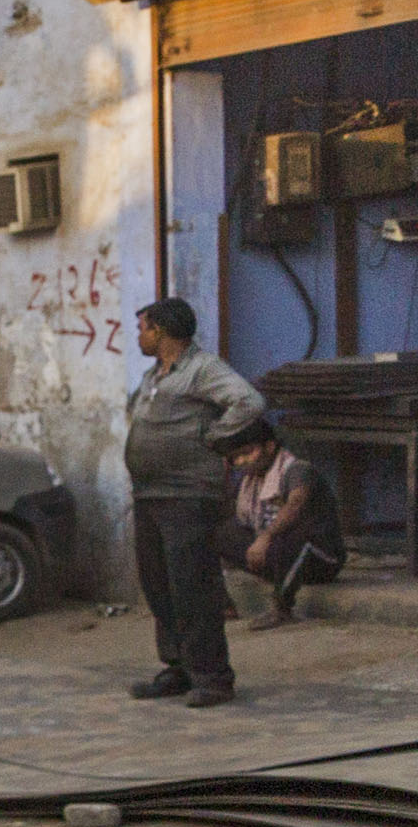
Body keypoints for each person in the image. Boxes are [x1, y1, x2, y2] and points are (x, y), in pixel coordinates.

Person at [121, 295, 264, 706]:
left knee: (193, 586)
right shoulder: (154, 375)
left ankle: (213, 677)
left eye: (143, 329)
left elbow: (249, 401)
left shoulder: (202, 368)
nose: (139, 336)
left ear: (161, 331)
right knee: (159, 584)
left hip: (188, 495)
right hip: (150, 494)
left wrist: (214, 436)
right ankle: (179, 667)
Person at [216, 409, 347, 626]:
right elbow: (227, 514)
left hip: (320, 559)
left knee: (293, 538)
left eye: (248, 453)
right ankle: (224, 606)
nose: (242, 461)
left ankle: (282, 608)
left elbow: (295, 504)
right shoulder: (249, 480)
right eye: (235, 457)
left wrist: (265, 537)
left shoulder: (297, 470)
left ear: (269, 447)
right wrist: (225, 476)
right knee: (212, 533)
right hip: (276, 556)